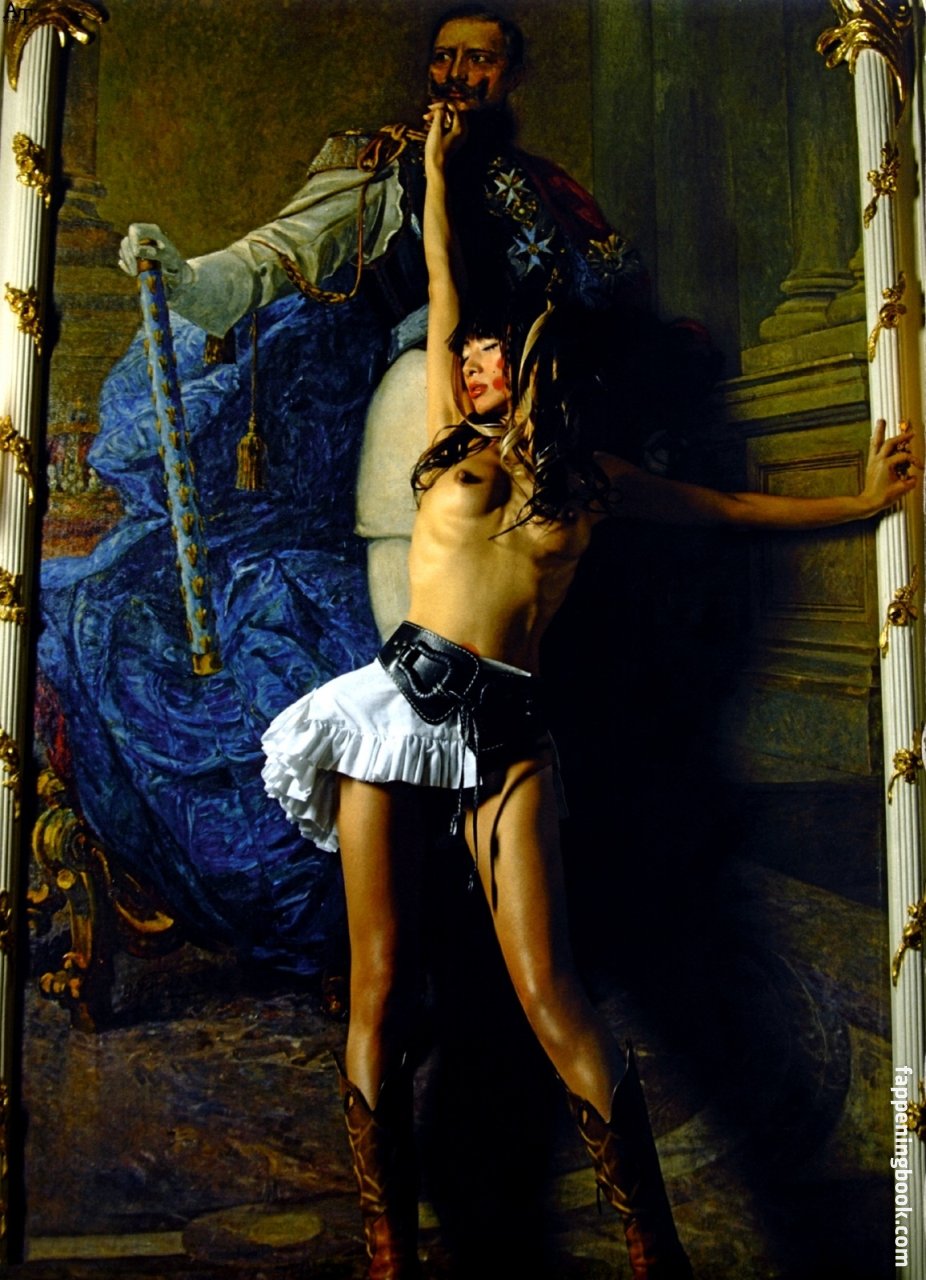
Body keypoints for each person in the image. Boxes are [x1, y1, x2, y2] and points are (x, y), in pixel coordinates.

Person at [260, 99, 917, 1279]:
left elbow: (725, 509)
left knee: (552, 992)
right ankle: (386, 1249)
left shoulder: (589, 478)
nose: (467, 364)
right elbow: (444, 277)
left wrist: (860, 500)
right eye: (460, 355)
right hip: (391, 714)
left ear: (529, 361)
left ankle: (652, 1249)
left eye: (485, 352)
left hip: (509, 730)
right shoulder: (444, 446)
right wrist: (436, 170)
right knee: (381, 987)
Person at [36, 6, 646, 988]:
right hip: (421, 411)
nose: (458, 75)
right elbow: (274, 256)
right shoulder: (387, 166)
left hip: (545, 434)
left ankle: (513, 900)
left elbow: (601, 311)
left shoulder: (553, 196)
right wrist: (187, 277)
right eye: (444, 58)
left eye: (480, 61)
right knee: (418, 662)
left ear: (511, 75)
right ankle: (426, 909)